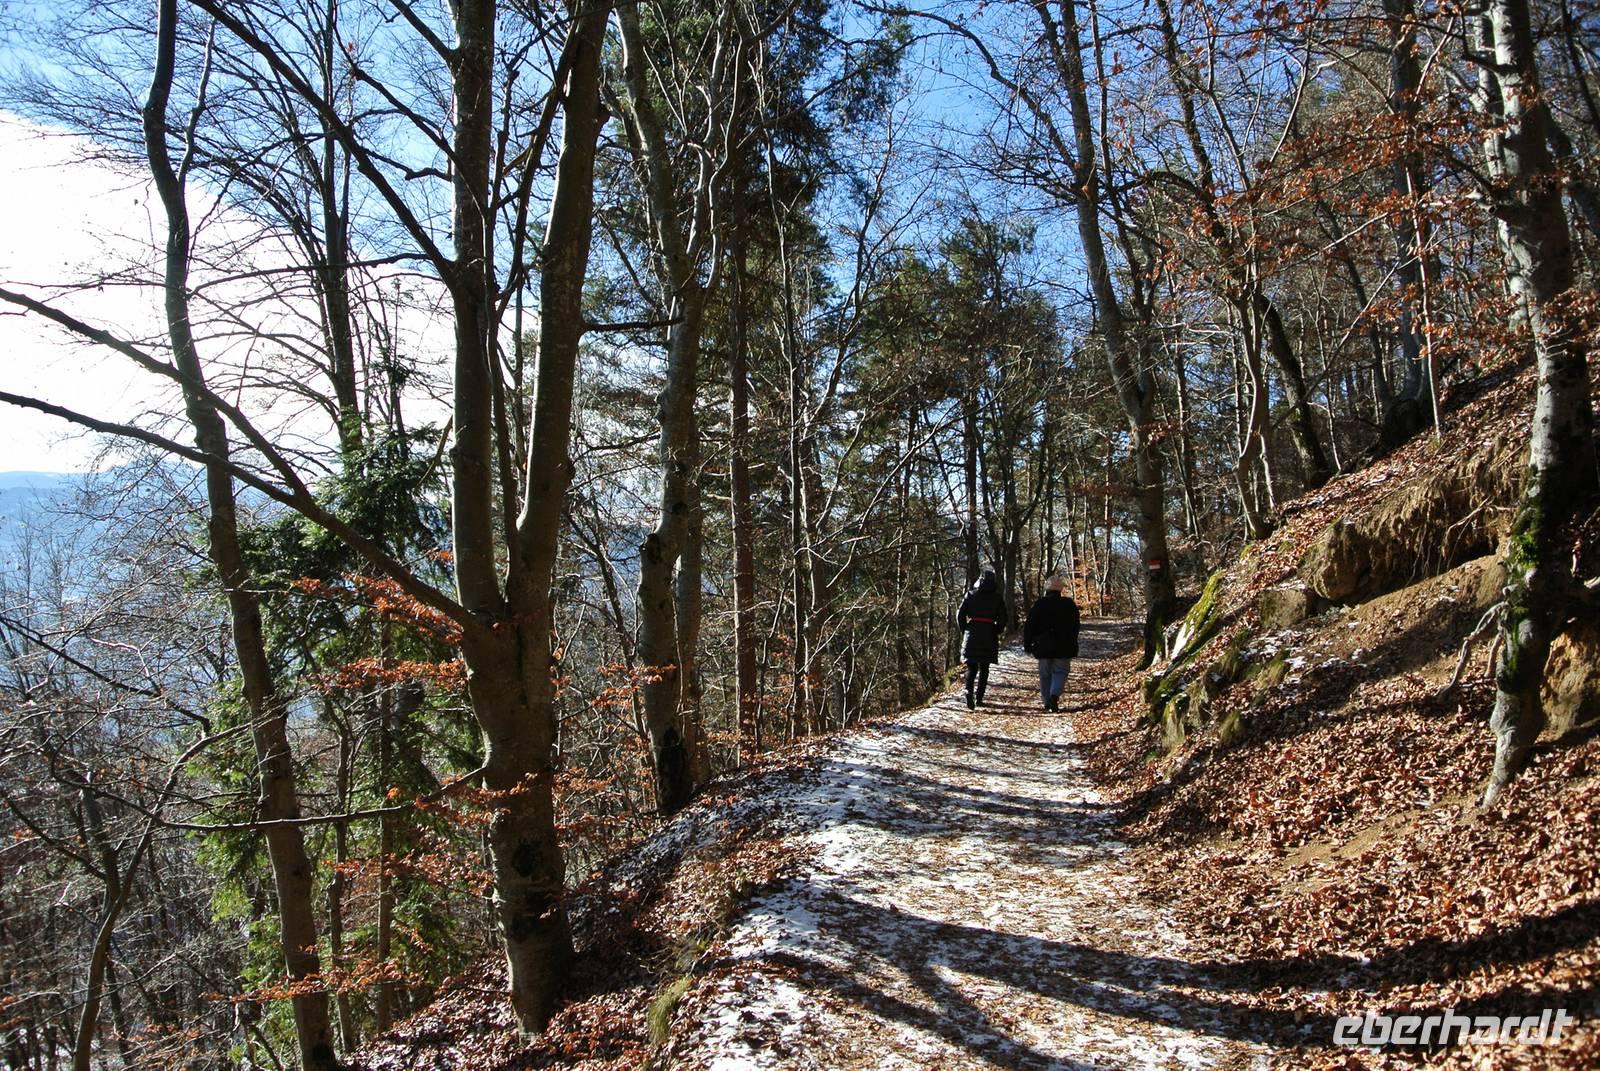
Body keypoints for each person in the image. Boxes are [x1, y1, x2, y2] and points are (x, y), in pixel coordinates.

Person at [1023, 576, 1080, 712]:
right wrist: (1072, 639)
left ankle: (1047, 701)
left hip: (1043, 645)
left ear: (1047, 589)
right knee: (1061, 671)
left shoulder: (1039, 604)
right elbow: (1075, 625)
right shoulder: (1069, 604)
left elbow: (1029, 625)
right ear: (1060, 589)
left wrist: (1027, 643)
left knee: (1045, 673)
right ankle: (1054, 695)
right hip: (1064, 645)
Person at [957, 570, 1007, 710]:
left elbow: (960, 615)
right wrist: (996, 630)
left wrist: (965, 629)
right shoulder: (997, 598)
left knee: (971, 666)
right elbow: (1003, 618)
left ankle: (968, 690)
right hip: (989, 634)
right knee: (984, 667)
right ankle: (979, 698)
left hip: (972, 633)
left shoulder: (970, 595)